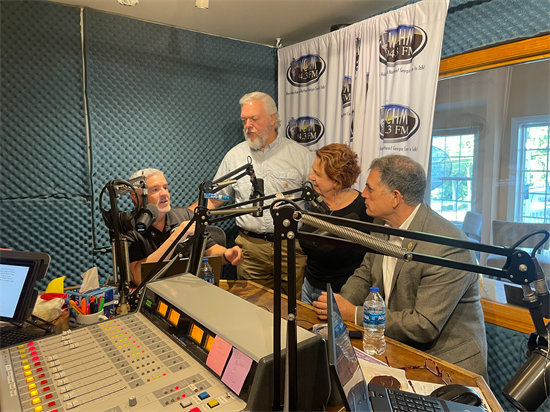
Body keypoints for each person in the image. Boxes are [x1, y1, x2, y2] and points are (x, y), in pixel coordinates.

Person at [313, 154, 488, 378]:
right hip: (398, 349)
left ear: (395, 197)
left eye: (370, 189)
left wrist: (354, 313)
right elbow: (365, 274)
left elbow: (423, 325)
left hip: (448, 367)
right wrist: (339, 306)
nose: (363, 194)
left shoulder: (447, 246)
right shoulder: (381, 224)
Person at [207, 92, 315, 298]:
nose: (248, 125)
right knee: (252, 306)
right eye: (244, 120)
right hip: (250, 251)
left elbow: (319, 199)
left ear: (272, 118)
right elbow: (214, 199)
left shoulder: (301, 156)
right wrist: (187, 219)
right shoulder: (234, 157)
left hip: (291, 247)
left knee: (295, 308)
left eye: (254, 119)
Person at [126, 168, 243, 285]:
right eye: (155, 190)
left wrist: (227, 254)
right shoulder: (127, 228)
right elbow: (138, 277)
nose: (164, 194)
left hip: (188, 287)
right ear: (135, 196)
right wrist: (175, 237)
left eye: (165, 188)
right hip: (151, 291)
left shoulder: (186, 215)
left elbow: (210, 249)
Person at [300, 143, 373, 305]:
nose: (310, 177)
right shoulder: (316, 202)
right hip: (308, 288)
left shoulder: (363, 210)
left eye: (317, 174)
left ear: (336, 180)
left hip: (341, 295)